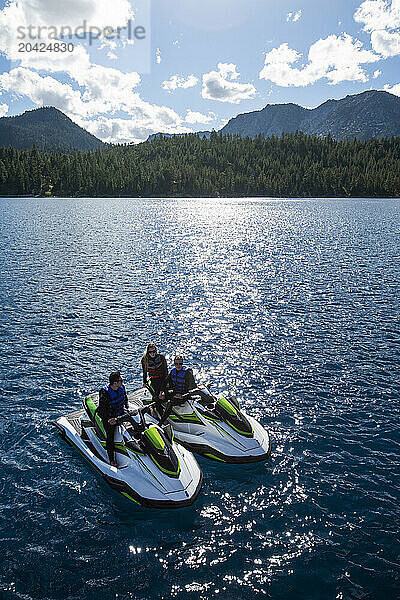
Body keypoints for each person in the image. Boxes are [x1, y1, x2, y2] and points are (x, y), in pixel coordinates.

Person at [97, 371, 129, 468]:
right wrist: (110, 420)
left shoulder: (121, 388)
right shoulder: (105, 393)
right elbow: (103, 411)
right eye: (121, 380)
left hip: (120, 414)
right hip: (109, 418)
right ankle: (111, 459)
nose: (122, 381)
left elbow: (125, 398)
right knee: (110, 437)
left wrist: (127, 407)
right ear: (115, 383)